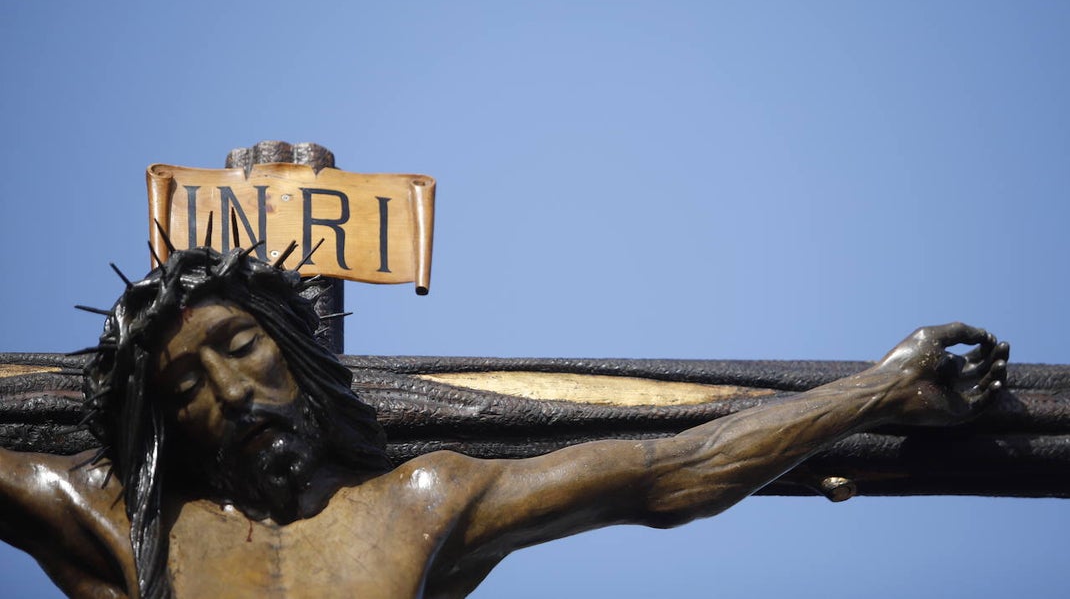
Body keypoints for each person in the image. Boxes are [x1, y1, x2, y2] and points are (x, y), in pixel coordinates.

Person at [0, 246, 1008, 599]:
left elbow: (671, 471)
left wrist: (881, 388)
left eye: (240, 346)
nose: (226, 392)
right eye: (183, 388)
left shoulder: (420, 506)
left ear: (293, 353)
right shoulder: (114, 528)